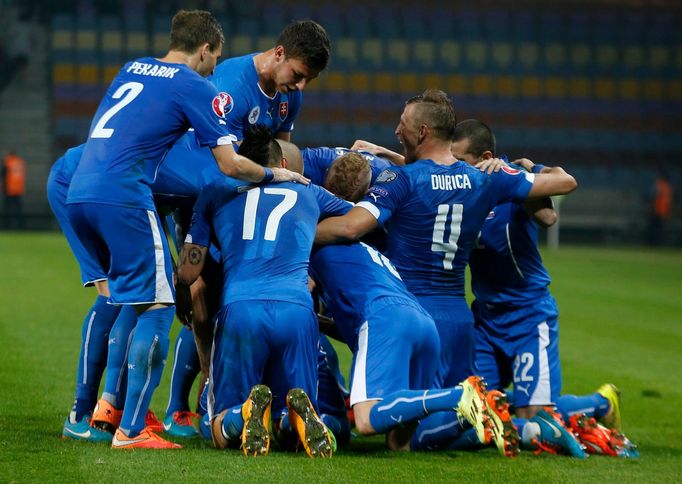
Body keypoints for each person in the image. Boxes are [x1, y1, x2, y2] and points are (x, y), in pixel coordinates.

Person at [65, 9, 307, 450]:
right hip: (125, 196)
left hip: (79, 188)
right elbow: (229, 164)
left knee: (127, 299)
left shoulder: (132, 66)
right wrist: (278, 176)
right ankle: (132, 430)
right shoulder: (195, 85)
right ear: (204, 50)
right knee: (158, 306)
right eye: (214, 58)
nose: (214, 68)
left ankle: (98, 410)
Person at [160, 20, 330, 435]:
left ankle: (230, 404)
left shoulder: (289, 100)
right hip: (199, 201)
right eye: (298, 74)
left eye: (309, 79)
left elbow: (282, 155)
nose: (301, 86)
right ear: (277, 54)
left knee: (224, 303)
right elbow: (218, 166)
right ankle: (181, 406)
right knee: (200, 300)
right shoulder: (230, 87)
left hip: (241, 202)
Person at [452, 118, 636, 458]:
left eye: (461, 161)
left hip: (528, 315)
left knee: (532, 420)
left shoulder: (508, 184)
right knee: (475, 413)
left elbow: (551, 214)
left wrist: (531, 169)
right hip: (487, 319)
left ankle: (602, 402)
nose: (455, 168)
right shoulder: (461, 190)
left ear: (485, 156)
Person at [177, 125, 348, 457]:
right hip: (297, 310)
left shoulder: (214, 190)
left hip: (242, 309)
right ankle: (290, 420)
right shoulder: (307, 190)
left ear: (241, 162)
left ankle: (241, 416)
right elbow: (358, 219)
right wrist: (306, 234)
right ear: (282, 161)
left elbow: (188, 271)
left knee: (214, 425)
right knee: (293, 417)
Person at [646, 169, 673, 245]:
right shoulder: (665, 187)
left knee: (655, 228)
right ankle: (653, 243)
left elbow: (653, 197)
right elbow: (654, 197)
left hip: (659, 211)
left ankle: (654, 242)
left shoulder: (661, 185)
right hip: (658, 211)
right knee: (655, 228)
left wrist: (651, 208)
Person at [2, 149, 26, 229]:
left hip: (9, 189)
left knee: (8, 209)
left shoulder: (8, 162)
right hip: (18, 189)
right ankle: (20, 225)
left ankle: (8, 225)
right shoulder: (20, 162)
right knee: (18, 209)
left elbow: (4, 175)